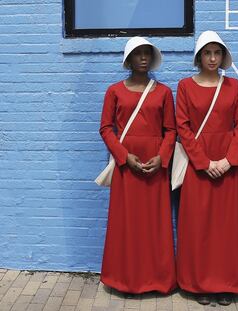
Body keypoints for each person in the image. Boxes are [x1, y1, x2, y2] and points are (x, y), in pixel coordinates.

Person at [175, 30, 238, 306]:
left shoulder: (233, 87)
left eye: (216, 52)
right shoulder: (185, 86)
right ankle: (199, 285)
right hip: (199, 166)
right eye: (207, 53)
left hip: (228, 166)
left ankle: (226, 283)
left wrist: (228, 160)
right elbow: (182, 127)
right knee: (199, 226)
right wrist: (204, 162)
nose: (212, 58)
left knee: (226, 228)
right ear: (199, 56)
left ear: (223, 56)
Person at [99, 37, 177, 293]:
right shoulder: (114, 91)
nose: (143, 58)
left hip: (154, 166)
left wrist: (162, 158)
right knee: (127, 224)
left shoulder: (164, 92)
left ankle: (157, 280)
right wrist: (123, 156)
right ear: (129, 59)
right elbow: (106, 128)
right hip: (126, 166)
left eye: (147, 53)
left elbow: (170, 130)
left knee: (155, 224)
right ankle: (125, 280)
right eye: (137, 54)